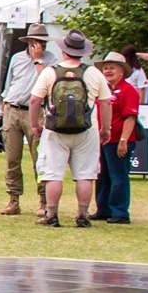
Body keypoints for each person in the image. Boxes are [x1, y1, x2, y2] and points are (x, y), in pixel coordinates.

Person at [28, 30, 113, 228]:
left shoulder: (50, 71)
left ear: (64, 50)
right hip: (86, 128)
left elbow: (34, 100)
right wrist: (106, 128)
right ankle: (82, 214)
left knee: (53, 174)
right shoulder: (93, 73)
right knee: (85, 174)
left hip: (55, 128)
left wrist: (35, 124)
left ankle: (52, 214)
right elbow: (107, 102)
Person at [0, 29, 54, 216]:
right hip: (13, 109)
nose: (41, 45)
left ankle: (44, 200)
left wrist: (38, 60)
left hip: (35, 112)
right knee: (12, 158)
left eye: (43, 42)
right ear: (29, 41)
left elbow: (48, 83)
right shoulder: (17, 58)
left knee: (39, 157)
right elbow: (9, 84)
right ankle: (13, 199)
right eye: (37, 41)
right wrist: (2, 108)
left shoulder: (51, 60)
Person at [93, 53, 139, 224]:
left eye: (112, 67)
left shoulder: (128, 90)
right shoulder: (102, 90)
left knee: (118, 176)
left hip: (118, 140)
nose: (108, 71)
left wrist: (123, 140)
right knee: (102, 176)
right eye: (105, 68)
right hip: (103, 141)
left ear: (122, 71)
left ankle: (120, 211)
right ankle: (103, 209)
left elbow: (130, 117)